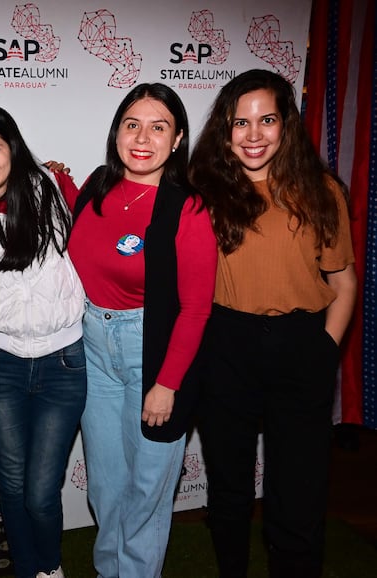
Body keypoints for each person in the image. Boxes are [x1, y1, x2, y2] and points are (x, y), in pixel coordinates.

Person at [189, 69, 357, 578]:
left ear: (286, 125)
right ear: (225, 129)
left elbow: (343, 282)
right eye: (241, 122)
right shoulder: (202, 191)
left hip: (302, 345)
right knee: (230, 488)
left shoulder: (321, 191)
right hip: (224, 346)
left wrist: (325, 350)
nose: (254, 134)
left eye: (267, 119)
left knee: (299, 489)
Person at [54, 83, 217, 578]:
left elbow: (195, 310)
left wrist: (166, 384)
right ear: (117, 133)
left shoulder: (187, 207)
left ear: (178, 138)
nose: (142, 138)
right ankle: (111, 571)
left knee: (147, 485)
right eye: (132, 124)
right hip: (92, 347)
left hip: (152, 351)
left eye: (158, 126)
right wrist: (55, 179)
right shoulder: (98, 186)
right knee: (106, 483)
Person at [0, 105, 86, 578]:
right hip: (0, 363)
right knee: (10, 484)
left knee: (40, 491)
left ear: (12, 147)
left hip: (62, 363)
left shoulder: (51, 189)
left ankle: (50, 568)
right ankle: (27, 569)